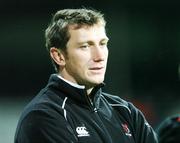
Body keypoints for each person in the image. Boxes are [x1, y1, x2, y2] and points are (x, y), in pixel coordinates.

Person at [14, 8, 158, 143]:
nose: (99, 56)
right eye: (85, 46)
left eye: (102, 44)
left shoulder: (126, 112)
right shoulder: (43, 117)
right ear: (59, 56)